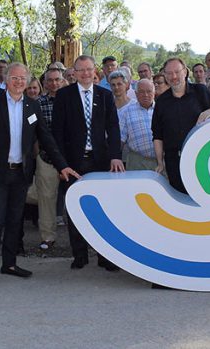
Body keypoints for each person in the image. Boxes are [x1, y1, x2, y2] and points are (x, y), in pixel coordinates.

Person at [0, 63, 77, 288]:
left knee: (14, 221)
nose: (19, 81)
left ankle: (9, 264)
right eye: (14, 77)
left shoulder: (32, 105)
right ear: (6, 79)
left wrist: (62, 166)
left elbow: (46, 138)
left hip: (21, 174)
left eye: (23, 78)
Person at [52, 55, 124, 271]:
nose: (85, 73)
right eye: (81, 70)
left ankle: (104, 256)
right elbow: (57, 132)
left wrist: (115, 155)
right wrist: (61, 164)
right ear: (74, 73)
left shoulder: (105, 95)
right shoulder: (64, 95)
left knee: (103, 209)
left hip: (100, 161)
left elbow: (113, 127)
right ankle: (79, 254)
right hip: (73, 163)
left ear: (95, 71)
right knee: (75, 209)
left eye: (89, 69)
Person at [152, 58, 210, 194]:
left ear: (185, 72)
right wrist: (160, 162)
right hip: (174, 162)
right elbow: (157, 134)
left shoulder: (201, 91)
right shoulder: (161, 101)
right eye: (169, 73)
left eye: (177, 72)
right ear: (165, 75)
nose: (174, 76)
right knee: (179, 199)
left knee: (203, 196)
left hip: (201, 159)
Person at [34, 66, 66, 251]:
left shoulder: (72, 101)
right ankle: (47, 237)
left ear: (62, 81)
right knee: (46, 199)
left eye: (57, 80)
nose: (54, 83)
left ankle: (83, 239)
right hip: (46, 158)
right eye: (50, 80)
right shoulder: (38, 103)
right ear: (44, 83)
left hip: (71, 158)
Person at [121, 80, 158, 171]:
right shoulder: (127, 111)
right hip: (137, 162)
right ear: (136, 94)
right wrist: (115, 158)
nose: (145, 95)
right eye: (141, 92)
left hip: (161, 162)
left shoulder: (162, 109)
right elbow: (120, 139)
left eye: (149, 91)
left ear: (154, 93)